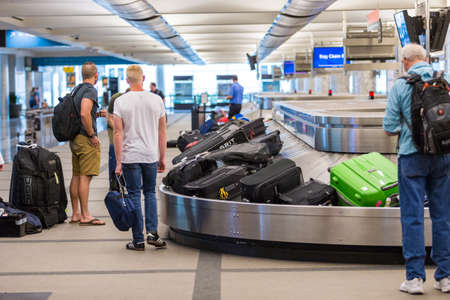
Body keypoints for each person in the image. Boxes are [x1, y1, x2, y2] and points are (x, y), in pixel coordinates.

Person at [383, 43, 450, 295]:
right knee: (443, 216)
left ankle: (414, 279)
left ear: (405, 62)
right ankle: (445, 277)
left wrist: (411, 127)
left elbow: (390, 125)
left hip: (412, 157)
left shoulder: (401, 85)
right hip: (443, 156)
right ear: (426, 59)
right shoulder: (444, 81)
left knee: (412, 217)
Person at [114, 65, 167, 251]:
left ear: (127, 80)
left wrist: (118, 162)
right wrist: (162, 157)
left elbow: (118, 133)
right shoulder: (156, 100)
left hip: (130, 156)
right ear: (143, 78)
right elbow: (162, 131)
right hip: (150, 154)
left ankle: (138, 240)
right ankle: (153, 233)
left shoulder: (120, 102)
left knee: (134, 194)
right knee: (150, 193)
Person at [69, 62, 106, 226]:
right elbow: (84, 114)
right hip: (85, 139)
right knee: (85, 177)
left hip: (74, 138)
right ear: (96, 75)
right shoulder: (91, 90)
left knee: (76, 175)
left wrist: (96, 114)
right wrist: (92, 135)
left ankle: (75, 213)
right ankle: (85, 215)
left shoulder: (76, 89)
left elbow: (83, 113)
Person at [107, 89, 129, 191]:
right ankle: (114, 181)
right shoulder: (116, 98)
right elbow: (110, 116)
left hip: (127, 128)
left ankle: (126, 178)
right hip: (114, 127)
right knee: (114, 149)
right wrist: (119, 130)